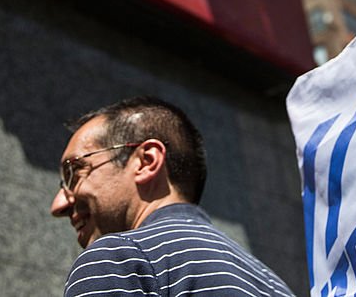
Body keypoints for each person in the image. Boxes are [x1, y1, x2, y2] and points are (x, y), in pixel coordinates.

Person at [51, 96, 295, 297]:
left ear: (146, 162)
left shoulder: (119, 261)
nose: (58, 205)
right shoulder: (275, 286)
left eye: (74, 171)